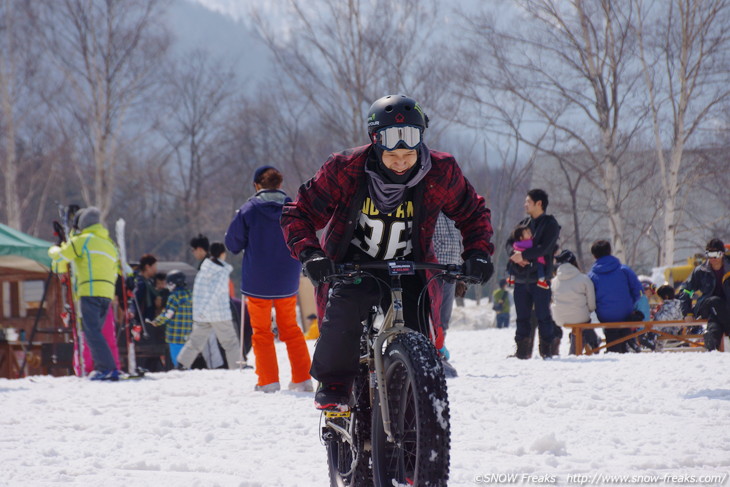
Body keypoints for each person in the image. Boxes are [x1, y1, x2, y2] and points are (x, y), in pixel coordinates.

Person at [280, 94, 494, 410]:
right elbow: (299, 213)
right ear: (375, 143)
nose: (400, 162)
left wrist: (477, 253)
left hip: (411, 265)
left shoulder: (441, 171)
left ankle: (416, 407)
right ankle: (336, 385)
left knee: (420, 337)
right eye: (392, 155)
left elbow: (472, 212)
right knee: (345, 313)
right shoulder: (345, 168)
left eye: (409, 154)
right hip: (353, 265)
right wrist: (311, 255)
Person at [225, 166, 313, 393]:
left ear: (257, 185)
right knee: (291, 329)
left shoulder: (249, 210)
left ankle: (268, 381)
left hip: (257, 283)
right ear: (279, 185)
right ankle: (302, 379)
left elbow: (232, 244)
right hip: (287, 280)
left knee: (262, 331)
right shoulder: (293, 207)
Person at [48, 207, 121, 380]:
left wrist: (53, 249)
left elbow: (60, 258)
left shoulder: (83, 241)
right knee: (97, 332)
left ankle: (107, 368)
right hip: (107, 294)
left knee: (90, 332)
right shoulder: (109, 243)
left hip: (89, 291)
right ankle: (107, 367)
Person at [508, 188, 560, 359]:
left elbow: (545, 248)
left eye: (528, 202)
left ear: (539, 204)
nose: (525, 205)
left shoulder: (550, 224)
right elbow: (510, 243)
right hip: (521, 278)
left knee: (543, 314)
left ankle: (547, 351)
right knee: (522, 316)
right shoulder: (524, 223)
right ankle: (522, 352)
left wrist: (522, 255)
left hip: (541, 278)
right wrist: (514, 256)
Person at [177, 242, 243, 369]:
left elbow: (198, 292)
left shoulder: (204, 268)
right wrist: (206, 310)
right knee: (230, 343)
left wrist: (200, 312)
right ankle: (237, 366)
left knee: (196, 341)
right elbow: (215, 292)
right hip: (219, 314)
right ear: (222, 254)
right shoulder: (221, 271)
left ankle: (182, 363)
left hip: (202, 314)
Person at [587, 239, 643, 353]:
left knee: (612, 334)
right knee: (624, 332)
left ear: (594, 255)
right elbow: (638, 290)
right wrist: (631, 303)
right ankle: (626, 347)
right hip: (626, 312)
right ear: (610, 251)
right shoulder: (624, 270)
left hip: (605, 315)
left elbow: (590, 297)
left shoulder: (591, 275)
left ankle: (613, 349)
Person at [678, 238, 730, 351]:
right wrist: (687, 312)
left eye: (716, 254)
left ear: (722, 253)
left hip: (725, 309)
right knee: (715, 301)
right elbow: (686, 290)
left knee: (715, 319)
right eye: (709, 254)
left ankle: (712, 341)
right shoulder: (701, 271)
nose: (712, 258)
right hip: (707, 305)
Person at [550, 249, 598, 354]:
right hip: (580, 317)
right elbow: (591, 304)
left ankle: (585, 346)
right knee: (583, 324)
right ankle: (590, 345)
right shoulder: (584, 279)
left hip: (559, 317)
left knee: (579, 326)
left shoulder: (554, 281)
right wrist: (589, 310)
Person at [433, 212, 464, 363]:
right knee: (431, 318)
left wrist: (461, 277)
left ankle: (439, 353)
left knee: (443, 319)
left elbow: (457, 244)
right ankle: (428, 355)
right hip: (432, 271)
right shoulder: (429, 208)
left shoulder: (452, 212)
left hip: (452, 272)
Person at [149, 270, 193, 368]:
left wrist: (156, 322)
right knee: (186, 361)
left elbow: (168, 314)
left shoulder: (174, 297)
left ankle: (183, 379)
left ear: (173, 284)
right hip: (188, 335)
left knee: (178, 362)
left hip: (175, 336)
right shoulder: (190, 295)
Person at [134, 253, 166, 371]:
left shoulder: (147, 283)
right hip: (144, 325)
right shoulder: (141, 284)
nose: (155, 270)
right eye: (154, 266)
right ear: (147, 267)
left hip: (148, 325)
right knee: (147, 355)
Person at [506, 224, 549, 290]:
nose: (530, 234)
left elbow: (512, 246)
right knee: (540, 266)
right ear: (521, 237)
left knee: (512, 264)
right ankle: (541, 280)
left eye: (530, 232)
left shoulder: (516, 243)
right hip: (530, 262)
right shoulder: (529, 242)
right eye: (527, 233)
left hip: (522, 266)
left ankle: (511, 278)